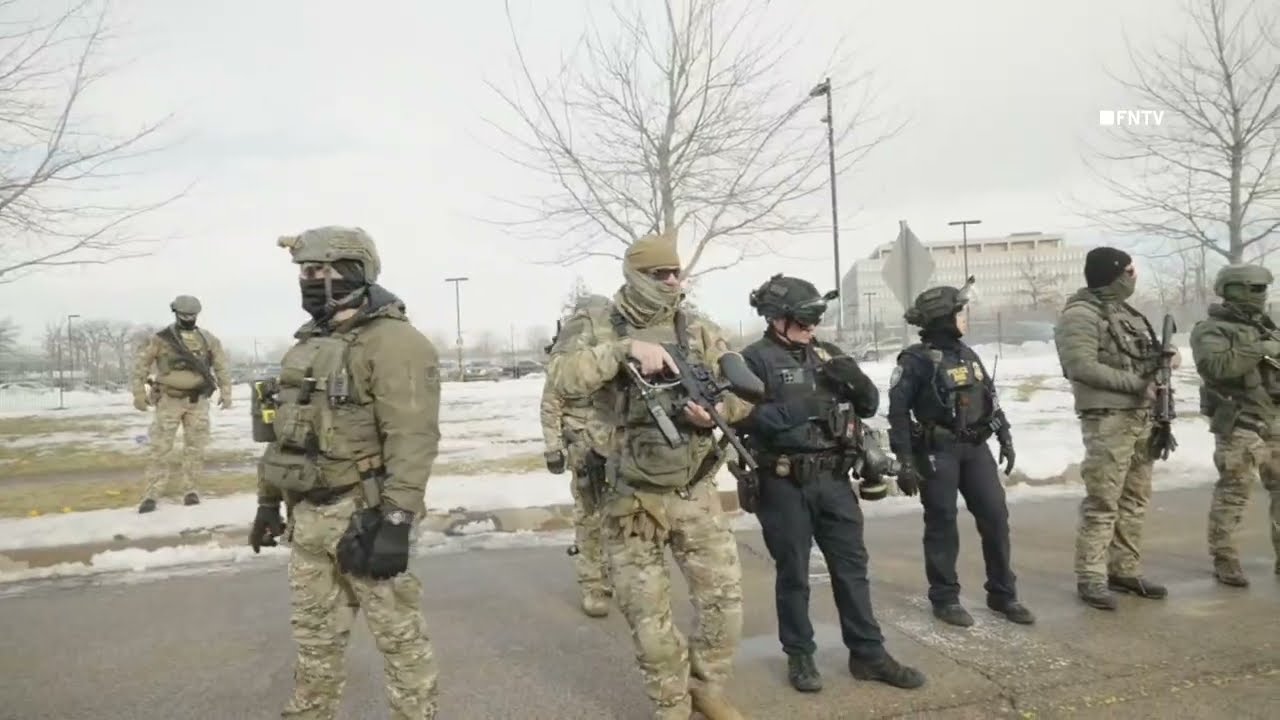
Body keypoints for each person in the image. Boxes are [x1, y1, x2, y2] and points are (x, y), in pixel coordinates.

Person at [549, 230, 747, 720]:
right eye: (660, 274)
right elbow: (562, 377)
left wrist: (720, 407)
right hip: (629, 496)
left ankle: (707, 686)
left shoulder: (697, 326)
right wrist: (623, 351)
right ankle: (671, 704)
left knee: (725, 607)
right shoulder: (595, 321)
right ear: (634, 275)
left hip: (694, 488)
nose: (672, 281)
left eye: (676, 273)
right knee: (649, 621)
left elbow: (741, 392)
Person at [249, 226, 442, 719]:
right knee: (315, 646)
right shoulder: (309, 345)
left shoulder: (395, 342)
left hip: (365, 516)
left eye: (319, 271)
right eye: (304, 273)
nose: (308, 282)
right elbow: (286, 433)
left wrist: (397, 521)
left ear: (354, 273)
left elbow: (413, 439)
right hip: (307, 519)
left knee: (400, 644)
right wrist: (268, 503)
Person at [735, 274, 925, 693]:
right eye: (803, 321)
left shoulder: (826, 354)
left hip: (835, 479)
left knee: (852, 570)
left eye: (815, 321)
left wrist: (854, 382)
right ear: (777, 318)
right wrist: (808, 405)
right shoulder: (753, 361)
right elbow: (748, 419)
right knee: (794, 574)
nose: (811, 329)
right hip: (784, 482)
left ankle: (869, 655)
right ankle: (800, 656)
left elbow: (870, 404)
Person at [887, 281, 1034, 628]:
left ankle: (1003, 593)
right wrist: (905, 460)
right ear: (942, 318)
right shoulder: (916, 361)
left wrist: (1005, 435)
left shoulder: (967, 354)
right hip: (938, 450)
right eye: (958, 312)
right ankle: (945, 597)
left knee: (995, 517)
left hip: (975, 448)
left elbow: (990, 397)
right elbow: (897, 413)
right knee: (942, 522)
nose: (964, 318)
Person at [1055, 247, 1172, 610]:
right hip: (1108, 420)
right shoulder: (1079, 315)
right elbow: (1081, 366)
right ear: (1115, 274)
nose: (1134, 277)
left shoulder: (1126, 314)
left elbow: (1141, 356)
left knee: (1134, 499)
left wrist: (1166, 360)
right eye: (1130, 271)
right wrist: (1136, 384)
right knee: (1103, 501)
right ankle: (1091, 577)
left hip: (1141, 418)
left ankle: (1124, 570)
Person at [1189, 263, 1280, 586]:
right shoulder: (1211, 330)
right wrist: (1259, 348)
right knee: (1234, 492)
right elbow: (1218, 367)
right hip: (1240, 422)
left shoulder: (1266, 327)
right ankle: (1225, 558)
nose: (1260, 295)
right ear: (1231, 290)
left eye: (1262, 288)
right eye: (1253, 289)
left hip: (1274, 420)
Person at [539, 294, 615, 617]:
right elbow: (550, 403)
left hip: (616, 444)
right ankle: (593, 584)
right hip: (583, 444)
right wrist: (553, 448)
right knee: (589, 516)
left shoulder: (609, 354)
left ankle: (612, 576)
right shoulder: (568, 361)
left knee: (619, 516)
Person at [129, 294, 232, 513]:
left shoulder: (208, 339)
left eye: (192, 315)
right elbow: (141, 366)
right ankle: (152, 493)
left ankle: (191, 490)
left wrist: (226, 391)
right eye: (184, 315)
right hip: (169, 400)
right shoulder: (161, 339)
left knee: (195, 448)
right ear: (175, 313)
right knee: (160, 448)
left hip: (198, 401)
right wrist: (138, 394)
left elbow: (222, 366)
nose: (188, 318)